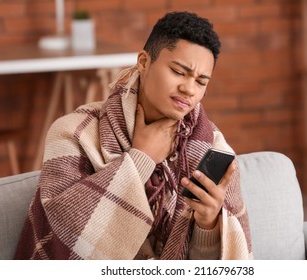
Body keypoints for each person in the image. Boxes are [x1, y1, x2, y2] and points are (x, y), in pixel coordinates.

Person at [14, 11, 253, 260]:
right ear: (143, 62)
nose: (189, 89)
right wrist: (140, 159)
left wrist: (209, 225)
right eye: (179, 72)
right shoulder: (74, 133)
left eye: (201, 81)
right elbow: (63, 241)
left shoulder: (213, 148)